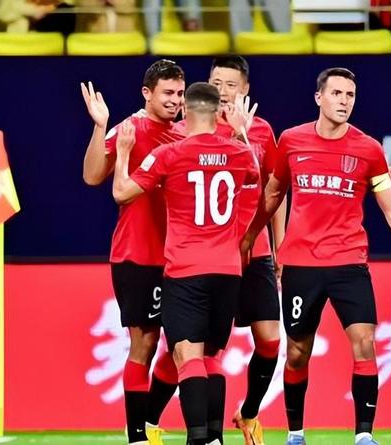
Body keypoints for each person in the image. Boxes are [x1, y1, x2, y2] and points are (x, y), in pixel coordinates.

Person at [240, 67, 391, 445]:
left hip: (349, 263)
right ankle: (296, 433)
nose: (344, 101)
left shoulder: (368, 149)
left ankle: (363, 435)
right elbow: (273, 194)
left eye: (350, 95)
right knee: (297, 352)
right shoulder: (292, 141)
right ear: (319, 97)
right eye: (336, 93)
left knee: (364, 341)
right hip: (302, 265)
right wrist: (248, 238)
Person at [113, 82, 260, 445]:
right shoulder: (239, 153)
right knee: (212, 356)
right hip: (227, 271)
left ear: (185, 111)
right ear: (218, 112)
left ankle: (198, 438)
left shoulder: (169, 154)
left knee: (187, 355)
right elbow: (255, 175)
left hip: (185, 270)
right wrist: (240, 131)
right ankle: (214, 438)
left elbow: (122, 192)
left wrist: (123, 153)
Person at [81, 59, 186, 445]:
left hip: (181, 257)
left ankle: (149, 418)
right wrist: (100, 127)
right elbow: (92, 175)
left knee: (185, 345)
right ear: (147, 93)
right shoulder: (130, 129)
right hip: (138, 253)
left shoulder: (184, 135)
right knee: (145, 343)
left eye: (180, 93)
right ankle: (138, 437)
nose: (175, 100)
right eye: (168, 93)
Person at [207, 55, 286, 445]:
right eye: (216, 83)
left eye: (231, 85)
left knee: (270, 340)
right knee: (210, 350)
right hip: (214, 255)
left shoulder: (262, 130)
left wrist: (280, 245)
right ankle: (208, 434)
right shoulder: (197, 128)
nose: (223, 92)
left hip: (256, 252)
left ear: (246, 89)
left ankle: (249, 413)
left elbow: (275, 188)